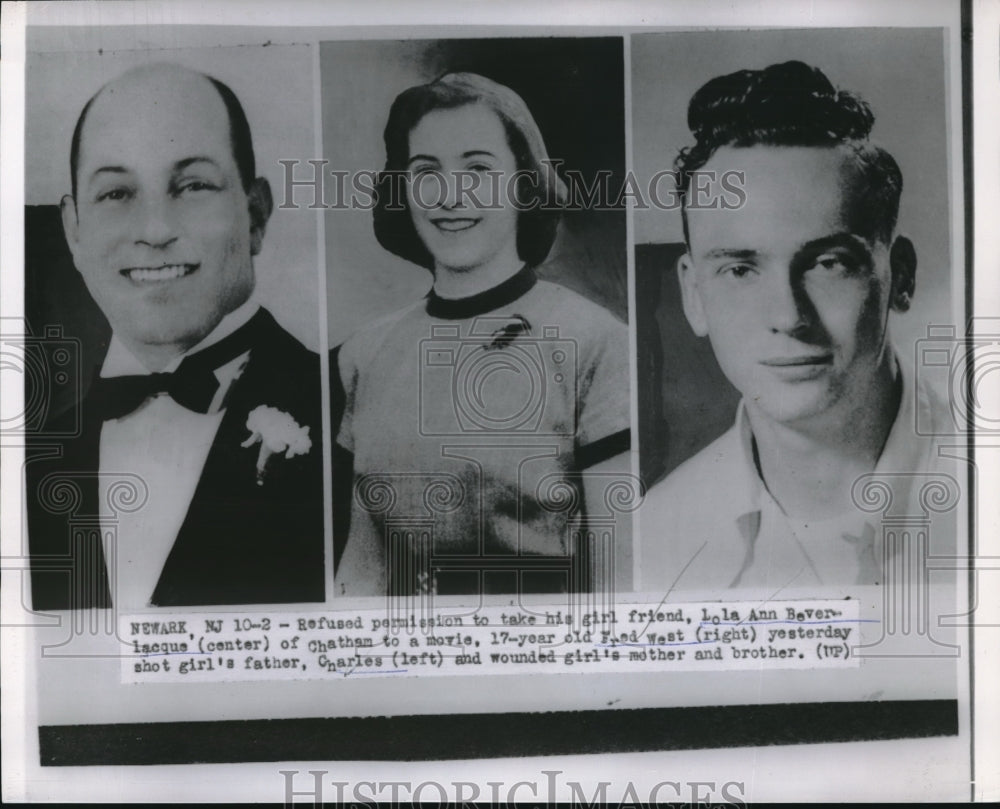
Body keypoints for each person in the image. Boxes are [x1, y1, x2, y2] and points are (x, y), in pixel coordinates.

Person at [639, 61, 954, 592]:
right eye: (740, 269)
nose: (788, 317)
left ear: (900, 277)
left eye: (829, 263)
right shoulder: (655, 535)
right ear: (694, 294)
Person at [26, 63, 326, 610]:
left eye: (192, 186)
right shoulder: (27, 461)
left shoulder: (346, 410)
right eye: (116, 194)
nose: (155, 230)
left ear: (255, 214)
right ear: (74, 231)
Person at [335, 72, 630, 597]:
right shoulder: (365, 352)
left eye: (477, 170)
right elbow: (362, 570)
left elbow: (618, 578)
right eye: (426, 171)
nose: (449, 196)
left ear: (524, 181)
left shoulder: (595, 341)